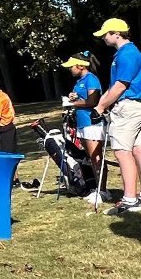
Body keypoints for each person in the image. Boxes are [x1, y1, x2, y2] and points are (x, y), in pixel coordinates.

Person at [93, 18, 141, 215]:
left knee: (122, 152)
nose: (104, 38)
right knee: (139, 150)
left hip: (128, 107)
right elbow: (116, 86)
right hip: (135, 107)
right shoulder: (125, 53)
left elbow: (121, 86)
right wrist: (102, 104)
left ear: (116, 33)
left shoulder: (127, 54)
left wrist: (100, 107)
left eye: (106, 34)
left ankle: (130, 199)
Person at [61, 52, 107, 207]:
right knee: (90, 158)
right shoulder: (80, 81)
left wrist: (72, 104)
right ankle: (97, 187)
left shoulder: (91, 79)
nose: (70, 70)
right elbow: (82, 98)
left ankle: (103, 190)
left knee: (97, 158)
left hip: (92, 123)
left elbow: (93, 100)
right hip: (82, 123)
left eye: (71, 67)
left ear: (80, 66)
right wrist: (74, 96)